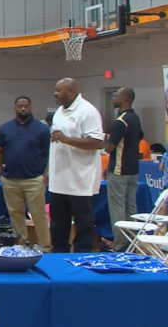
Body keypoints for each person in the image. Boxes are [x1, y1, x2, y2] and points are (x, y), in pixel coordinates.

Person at [48, 78, 105, 253]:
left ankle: (81, 259)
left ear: (71, 92)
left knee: (83, 224)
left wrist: (67, 140)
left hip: (80, 181)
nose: (55, 94)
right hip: (59, 180)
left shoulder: (88, 112)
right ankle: (58, 258)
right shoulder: (59, 111)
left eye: (59, 90)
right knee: (58, 226)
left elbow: (97, 142)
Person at [0, 96, 51, 250]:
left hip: (34, 179)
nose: (23, 109)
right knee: (15, 215)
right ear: (15, 109)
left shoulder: (42, 129)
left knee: (38, 215)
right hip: (10, 180)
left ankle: (45, 246)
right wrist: (0, 173)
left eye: (26, 106)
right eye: (20, 106)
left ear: (31, 108)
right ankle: (20, 246)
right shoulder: (5, 128)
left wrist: (45, 175)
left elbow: (50, 153)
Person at [105, 87, 143, 252]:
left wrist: (106, 141)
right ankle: (131, 241)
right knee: (130, 206)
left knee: (117, 207)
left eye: (117, 96)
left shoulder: (121, 121)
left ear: (125, 98)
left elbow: (109, 148)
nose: (114, 98)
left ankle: (119, 244)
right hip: (133, 169)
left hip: (119, 170)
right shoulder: (135, 118)